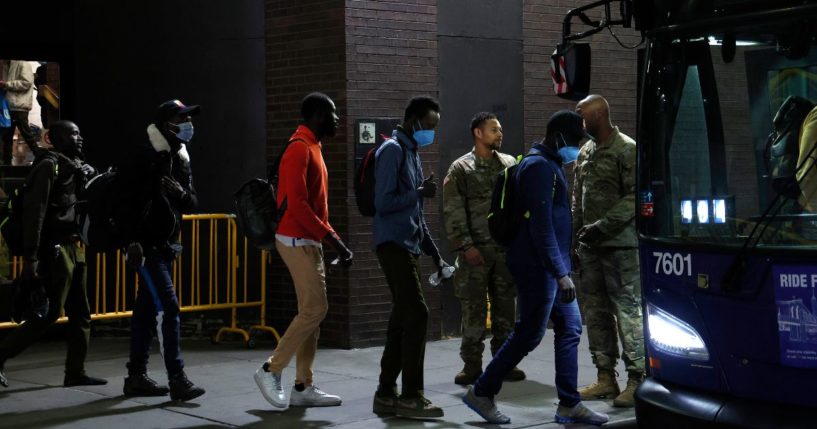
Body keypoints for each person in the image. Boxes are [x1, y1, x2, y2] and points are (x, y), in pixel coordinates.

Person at [463, 110, 609, 426]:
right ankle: (482, 392)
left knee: (570, 328)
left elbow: (554, 224)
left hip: (550, 264)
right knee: (529, 333)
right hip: (536, 266)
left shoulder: (549, 164)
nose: (576, 149)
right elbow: (541, 226)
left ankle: (569, 404)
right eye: (573, 142)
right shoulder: (538, 167)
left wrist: (566, 262)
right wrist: (560, 272)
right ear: (558, 138)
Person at [254, 92, 352, 409]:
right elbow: (297, 206)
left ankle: (302, 386)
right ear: (318, 115)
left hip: (308, 240)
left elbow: (313, 207)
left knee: (311, 314)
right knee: (315, 309)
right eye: (333, 114)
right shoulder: (299, 148)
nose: (338, 119)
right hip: (295, 240)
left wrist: (327, 237)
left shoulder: (313, 146)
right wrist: (334, 240)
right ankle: (271, 369)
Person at [0, 120, 104, 389]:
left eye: (80, 132)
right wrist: (31, 257)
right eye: (72, 132)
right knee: (48, 314)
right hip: (54, 248)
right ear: (53, 138)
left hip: (74, 246)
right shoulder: (48, 166)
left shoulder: (75, 168)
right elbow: (36, 213)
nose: (79, 137)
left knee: (82, 313)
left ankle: (75, 372)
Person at [121, 99, 205, 402]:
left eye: (188, 118)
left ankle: (136, 377)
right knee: (169, 307)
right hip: (145, 247)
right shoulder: (145, 155)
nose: (187, 124)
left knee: (144, 311)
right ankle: (177, 378)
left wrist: (179, 192)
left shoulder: (180, 157)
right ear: (163, 124)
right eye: (180, 118)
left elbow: (193, 202)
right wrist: (132, 241)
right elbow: (126, 202)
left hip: (166, 247)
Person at [370, 96, 448, 419]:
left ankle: (386, 393)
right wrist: (417, 193)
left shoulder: (412, 153)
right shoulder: (392, 151)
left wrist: (435, 254)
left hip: (409, 246)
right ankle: (411, 396)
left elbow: (416, 215)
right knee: (417, 314)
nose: (431, 133)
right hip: (393, 245)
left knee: (402, 320)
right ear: (413, 120)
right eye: (429, 126)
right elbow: (383, 202)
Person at [443, 112, 525, 385]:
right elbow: (453, 211)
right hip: (475, 254)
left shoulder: (509, 164)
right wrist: (466, 246)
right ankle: (472, 366)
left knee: (505, 311)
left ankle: (504, 363)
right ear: (478, 133)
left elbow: (517, 207)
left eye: (500, 129)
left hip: (504, 251)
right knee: (474, 311)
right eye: (493, 129)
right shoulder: (461, 168)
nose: (500, 134)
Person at [572, 94, 644, 408]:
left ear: (600, 116)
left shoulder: (626, 149)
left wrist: (603, 224)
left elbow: (634, 197)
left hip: (620, 246)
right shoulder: (585, 152)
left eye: (584, 117)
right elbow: (578, 198)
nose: (581, 124)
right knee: (596, 313)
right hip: (590, 247)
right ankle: (605, 377)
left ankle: (638, 378)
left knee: (628, 313)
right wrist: (575, 239)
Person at [0, 60, 39, 165]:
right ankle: (6, 165)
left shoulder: (22, 63)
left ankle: (42, 158)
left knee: (27, 135)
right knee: (7, 138)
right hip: (8, 106)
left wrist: (6, 84)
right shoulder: (6, 65)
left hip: (19, 107)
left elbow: (26, 83)